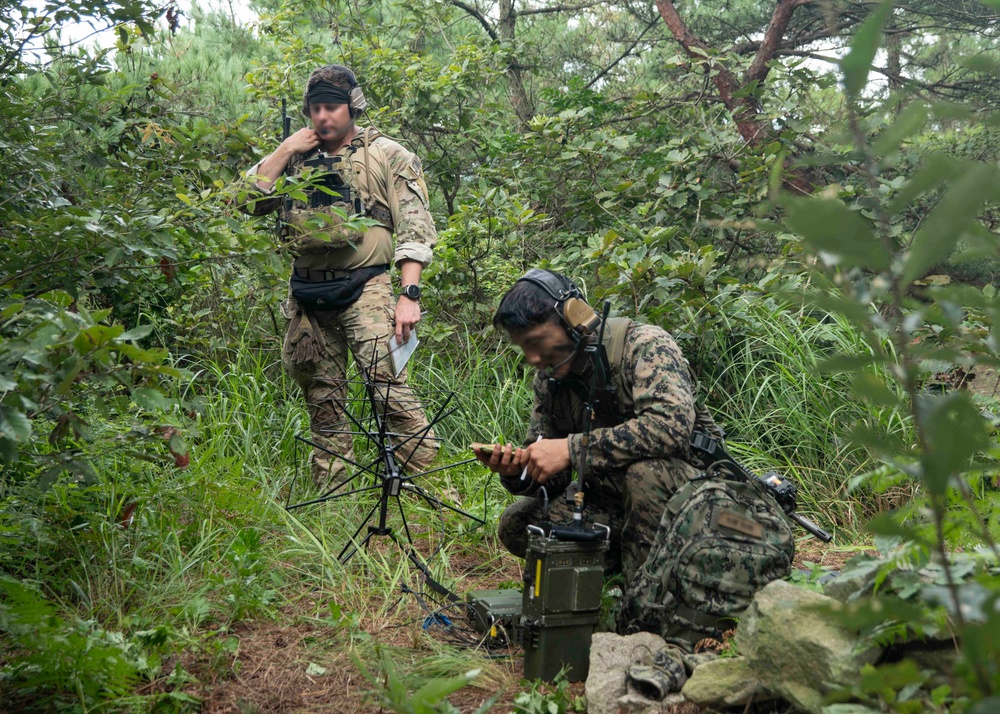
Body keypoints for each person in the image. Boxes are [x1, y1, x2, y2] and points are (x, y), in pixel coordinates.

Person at [239, 64, 438, 486]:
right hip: (308, 296)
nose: (323, 117)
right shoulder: (294, 155)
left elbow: (415, 227)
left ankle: (431, 489)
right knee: (323, 399)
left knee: (389, 391)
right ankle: (333, 498)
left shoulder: (387, 153)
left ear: (353, 107)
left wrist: (410, 295)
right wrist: (284, 151)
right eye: (315, 108)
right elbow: (245, 202)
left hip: (367, 287)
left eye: (332, 107)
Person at [474, 268, 723, 587]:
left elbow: (670, 428)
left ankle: (648, 596)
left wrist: (569, 449)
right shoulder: (549, 381)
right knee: (518, 523)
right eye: (524, 348)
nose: (534, 358)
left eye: (537, 342)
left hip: (690, 496)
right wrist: (516, 469)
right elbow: (553, 475)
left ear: (573, 318)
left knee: (645, 475)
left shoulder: (643, 344)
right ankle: (629, 563)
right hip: (612, 501)